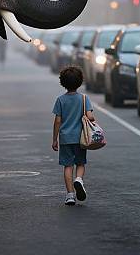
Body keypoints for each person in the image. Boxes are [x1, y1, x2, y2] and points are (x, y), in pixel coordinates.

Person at [52, 66, 95, 206]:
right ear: (80, 81)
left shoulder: (60, 100)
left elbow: (58, 120)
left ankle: (70, 195)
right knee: (80, 163)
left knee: (67, 165)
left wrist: (55, 139)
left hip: (65, 138)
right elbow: (90, 116)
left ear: (62, 82)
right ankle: (79, 179)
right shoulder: (83, 98)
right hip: (81, 138)